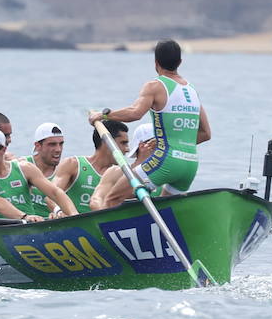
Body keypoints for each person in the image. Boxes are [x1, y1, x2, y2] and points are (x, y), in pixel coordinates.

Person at [86, 38, 211, 205]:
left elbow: (135, 113)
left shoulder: (155, 86)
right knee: (165, 209)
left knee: (112, 198)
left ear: (156, 62)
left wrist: (103, 115)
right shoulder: (192, 90)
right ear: (180, 62)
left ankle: (105, 231)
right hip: (190, 165)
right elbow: (206, 134)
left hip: (166, 160)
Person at [0, 126, 77, 220]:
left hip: (29, 228)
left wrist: (75, 217)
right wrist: (24, 217)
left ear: (3, 150)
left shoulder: (24, 168)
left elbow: (55, 192)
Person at [52, 119, 128, 214]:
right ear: (107, 142)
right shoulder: (73, 164)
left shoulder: (120, 175)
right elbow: (51, 195)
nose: (127, 149)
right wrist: (58, 211)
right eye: (123, 143)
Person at [88, 123, 156, 210]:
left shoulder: (168, 175)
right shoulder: (116, 173)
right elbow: (96, 200)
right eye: (159, 144)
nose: (165, 150)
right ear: (143, 146)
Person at [19, 122, 65, 216]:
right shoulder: (21, 166)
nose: (58, 149)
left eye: (61, 144)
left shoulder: (65, 171)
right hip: (23, 222)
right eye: (52, 144)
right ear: (37, 146)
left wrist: (58, 212)